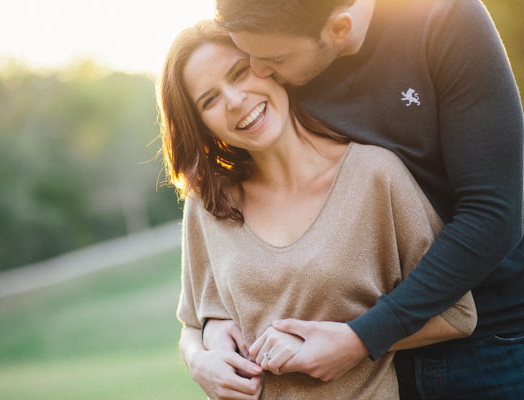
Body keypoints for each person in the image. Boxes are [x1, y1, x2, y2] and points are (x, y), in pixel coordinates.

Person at [207, 0, 524, 398]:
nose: (258, 71)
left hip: (486, 345)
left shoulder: (444, 19)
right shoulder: (279, 48)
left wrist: (364, 336)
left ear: (338, 30)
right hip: (362, 370)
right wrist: (202, 342)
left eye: (273, 59)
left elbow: (494, 215)